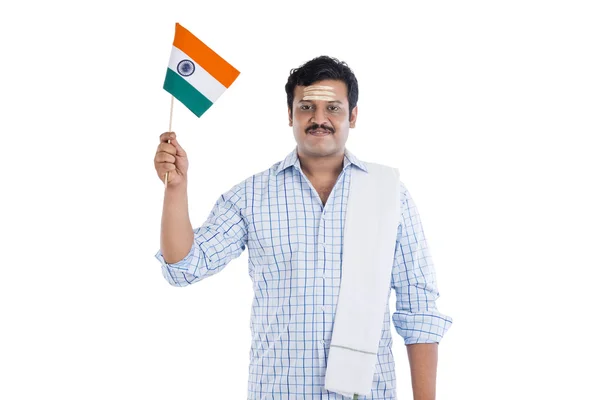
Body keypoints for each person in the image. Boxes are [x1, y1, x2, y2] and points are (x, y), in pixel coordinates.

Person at [153, 55, 453, 400]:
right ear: (290, 115)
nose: (319, 119)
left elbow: (419, 310)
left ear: (352, 116)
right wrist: (176, 187)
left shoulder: (389, 194)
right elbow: (183, 267)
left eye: (334, 109)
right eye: (307, 106)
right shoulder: (252, 196)